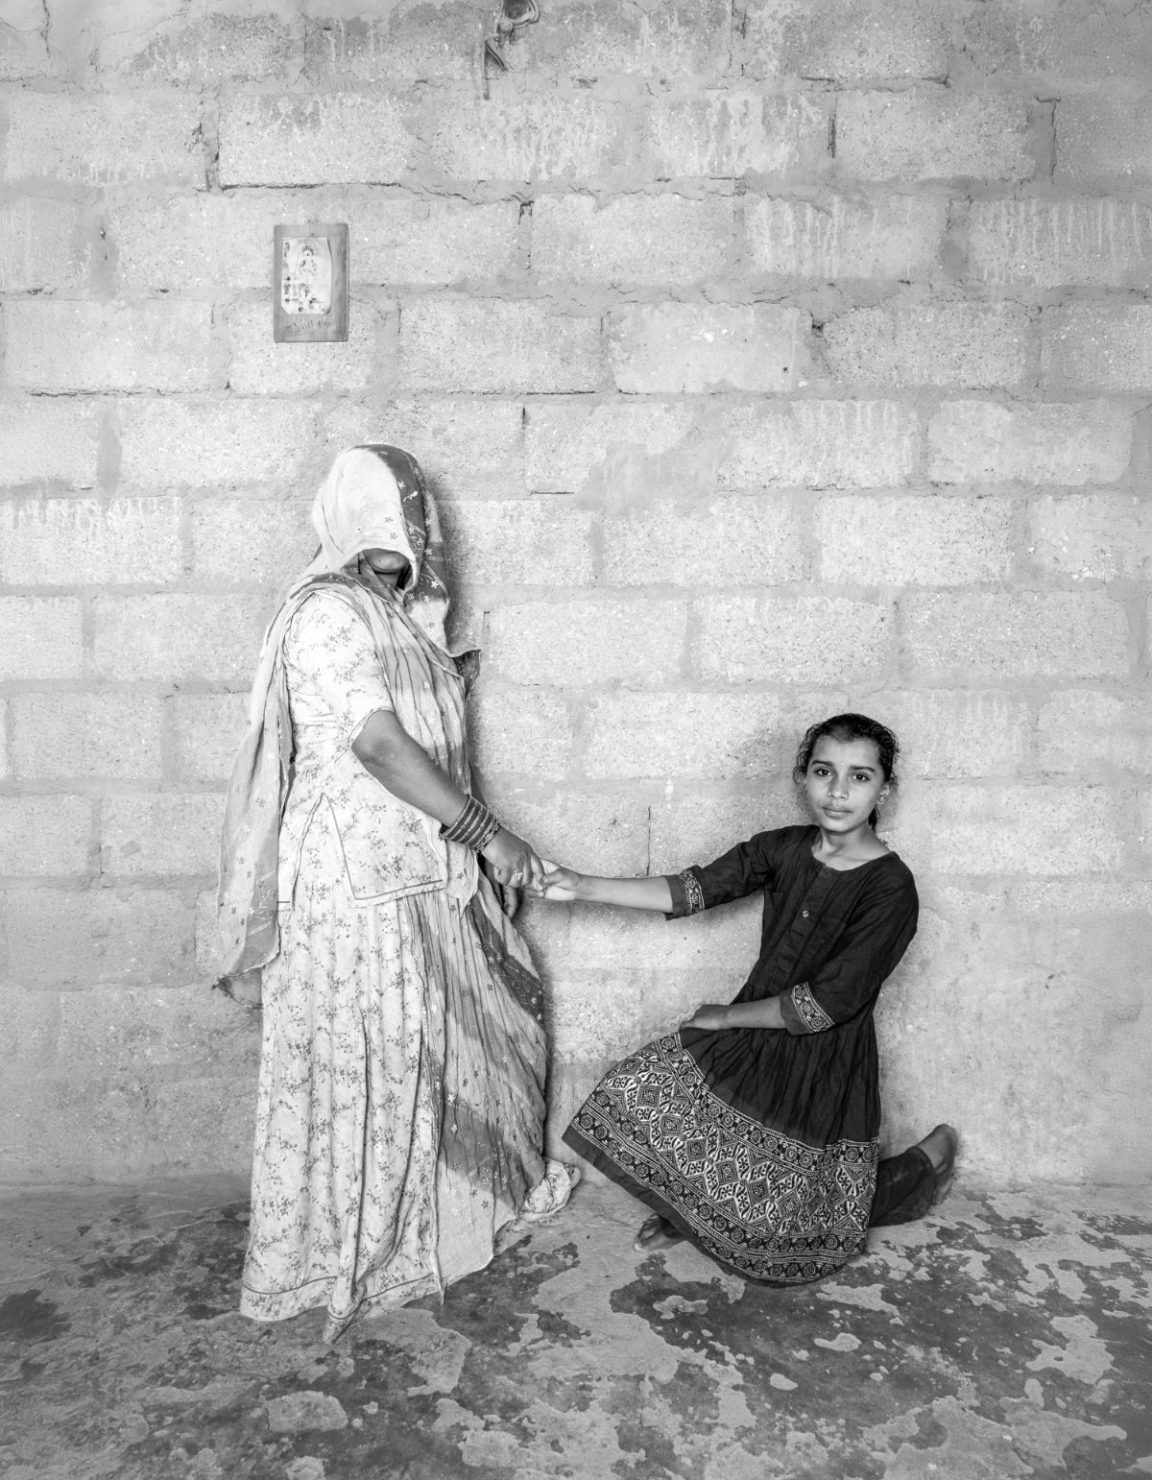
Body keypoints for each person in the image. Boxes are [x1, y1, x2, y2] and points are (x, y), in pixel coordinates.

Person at [216, 444, 576, 1341]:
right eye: (389, 513)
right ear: (349, 514)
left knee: (421, 1053)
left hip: (419, 871)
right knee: (369, 1055)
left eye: (413, 517)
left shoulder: (401, 617)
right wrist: (491, 836)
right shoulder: (326, 614)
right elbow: (378, 745)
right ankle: (347, 1244)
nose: (405, 532)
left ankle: (424, 1228)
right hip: (354, 886)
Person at [533, 713, 957, 1285]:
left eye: (859, 777)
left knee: (796, 1229)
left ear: (886, 788)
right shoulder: (783, 848)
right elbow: (694, 889)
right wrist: (579, 885)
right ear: (801, 777)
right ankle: (693, 1216)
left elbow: (826, 1004)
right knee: (644, 1092)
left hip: (824, 1056)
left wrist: (725, 1017)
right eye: (823, 771)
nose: (837, 791)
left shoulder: (891, 887)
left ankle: (925, 1164)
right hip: (756, 1029)